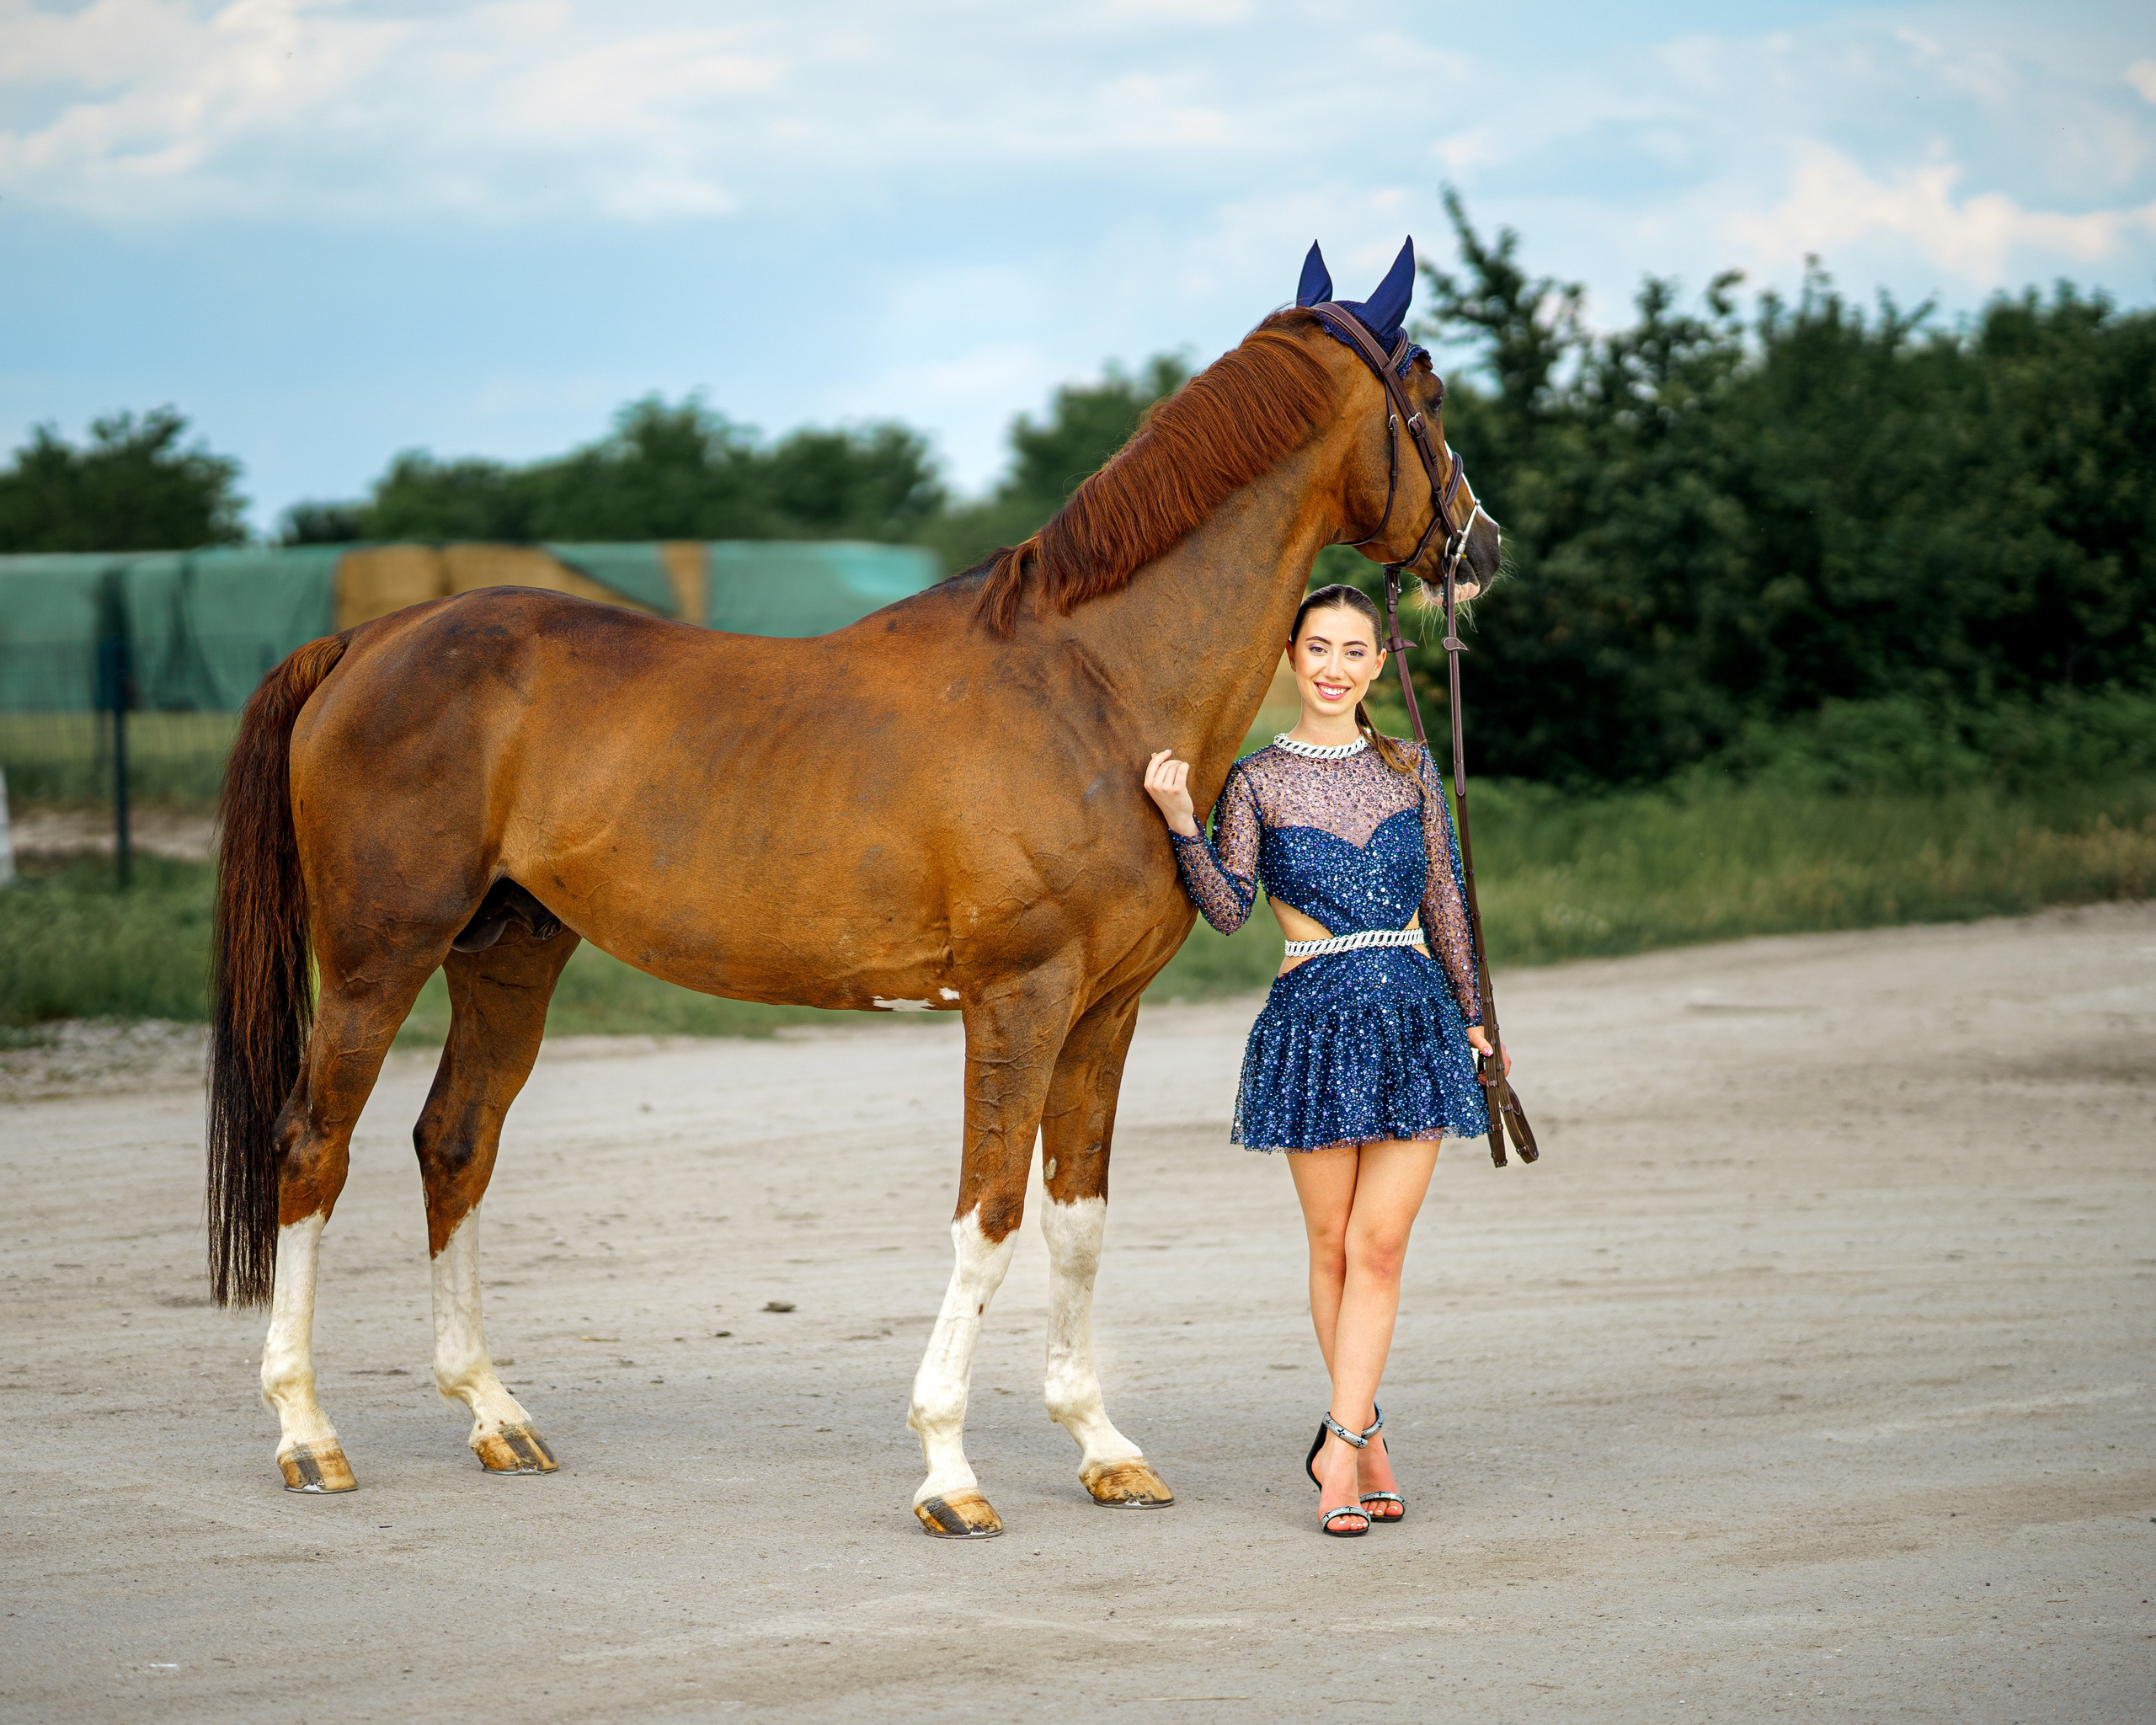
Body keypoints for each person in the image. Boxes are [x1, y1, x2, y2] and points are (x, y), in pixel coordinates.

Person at [1142, 582, 1511, 1537]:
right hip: (1313, 1023)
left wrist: (1476, 1015)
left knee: (1379, 1245)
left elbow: (1446, 899)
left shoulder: (1410, 767)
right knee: (1333, 1244)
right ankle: (1368, 1439)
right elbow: (1228, 909)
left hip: (1416, 1022)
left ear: (1378, 665)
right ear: (1291, 657)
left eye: (1353, 651)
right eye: (1318, 648)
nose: (1334, 667)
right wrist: (1181, 819)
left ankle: (1338, 1447)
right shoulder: (1256, 780)